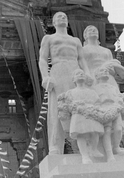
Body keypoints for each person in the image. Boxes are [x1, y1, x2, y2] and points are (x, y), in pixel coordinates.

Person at [39, 12, 90, 155]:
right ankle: (55, 145)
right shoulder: (49, 38)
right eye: (59, 17)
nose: (62, 18)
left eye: (65, 17)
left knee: (79, 107)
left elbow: (82, 60)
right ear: (53, 22)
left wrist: (87, 74)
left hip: (75, 72)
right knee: (58, 108)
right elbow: (43, 59)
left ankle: (81, 146)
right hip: (58, 70)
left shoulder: (76, 41)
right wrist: (45, 77)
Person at [82, 25, 124, 155]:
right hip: (93, 78)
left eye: (95, 30)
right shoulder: (83, 50)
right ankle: (95, 145)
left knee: (115, 109)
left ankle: (116, 146)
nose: (93, 32)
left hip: (108, 80)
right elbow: (83, 66)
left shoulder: (106, 51)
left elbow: (113, 71)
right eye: (90, 30)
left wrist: (110, 67)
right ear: (85, 35)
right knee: (97, 109)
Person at [58, 69, 104, 163]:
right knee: (80, 134)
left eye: (82, 74)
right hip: (78, 114)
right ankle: (85, 156)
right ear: (73, 79)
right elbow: (67, 105)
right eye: (77, 74)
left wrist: (95, 110)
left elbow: (98, 102)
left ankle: (94, 149)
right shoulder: (70, 93)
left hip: (91, 113)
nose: (80, 75)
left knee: (95, 132)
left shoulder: (92, 92)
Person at [94, 67, 124, 161]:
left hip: (115, 108)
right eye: (102, 70)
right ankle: (109, 155)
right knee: (107, 132)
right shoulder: (95, 88)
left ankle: (116, 147)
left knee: (118, 129)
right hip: (104, 109)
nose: (105, 72)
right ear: (97, 76)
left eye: (106, 71)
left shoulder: (113, 88)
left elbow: (118, 98)